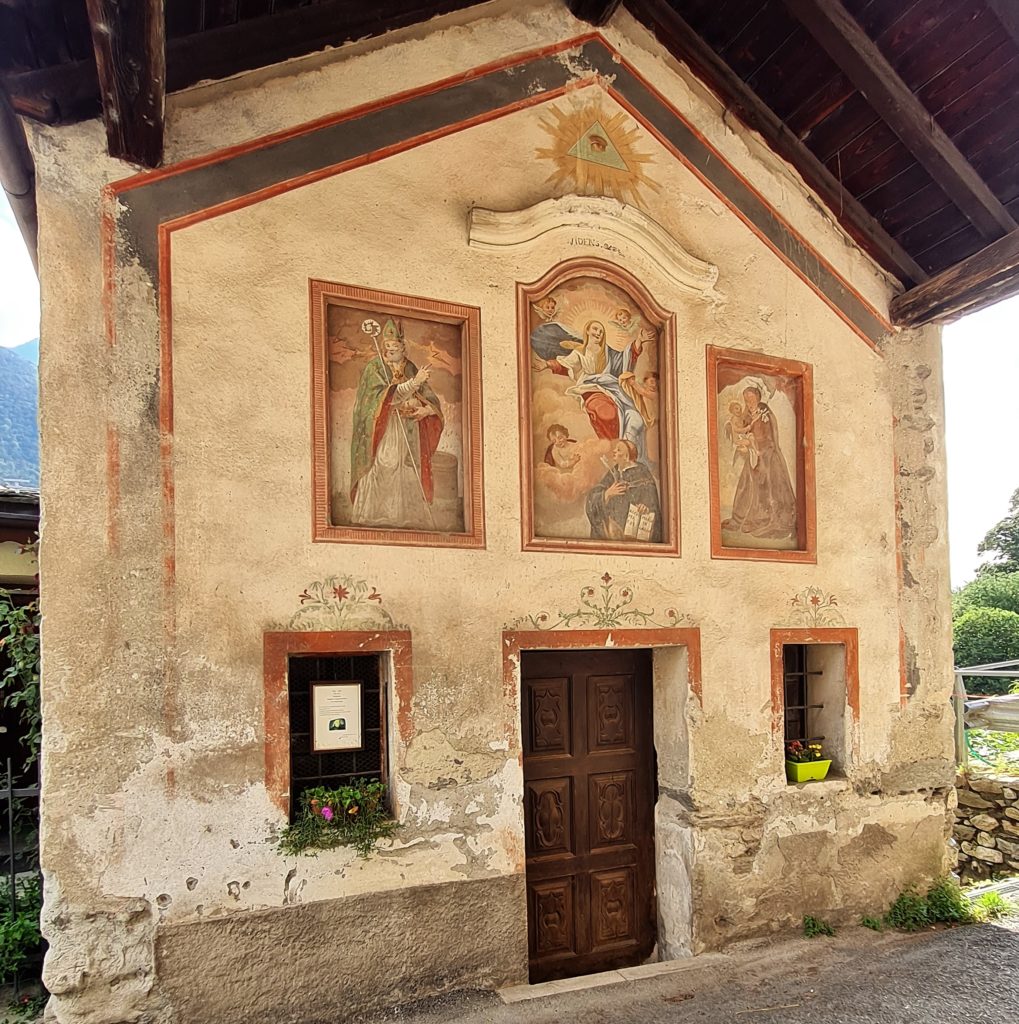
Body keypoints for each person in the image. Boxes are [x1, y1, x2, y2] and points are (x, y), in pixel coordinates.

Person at [349, 319, 443, 529]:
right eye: (388, 347)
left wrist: (426, 409)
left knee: (406, 468)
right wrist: (414, 383)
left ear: (403, 347)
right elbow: (381, 399)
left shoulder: (410, 367)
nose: (390, 350)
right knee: (386, 463)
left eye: (395, 347)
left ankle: (404, 518)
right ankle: (376, 516)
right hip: (383, 430)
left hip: (408, 429)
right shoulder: (375, 368)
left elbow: (428, 396)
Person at [547, 320, 650, 462]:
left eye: (601, 332)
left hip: (613, 389)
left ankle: (627, 452)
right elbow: (564, 365)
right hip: (590, 389)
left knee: (635, 418)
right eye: (595, 329)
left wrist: (638, 341)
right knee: (606, 412)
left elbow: (625, 357)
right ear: (587, 330)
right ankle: (613, 449)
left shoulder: (608, 352)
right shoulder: (580, 352)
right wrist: (548, 364)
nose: (598, 333)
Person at [722, 386, 796, 540]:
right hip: (754, 453)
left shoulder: (764, 413)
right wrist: (746, 445)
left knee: (767, 483)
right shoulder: (747, 415)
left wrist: (760, 450)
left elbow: (770, 436)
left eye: (751, 398)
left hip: (767, 454)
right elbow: (744, 431)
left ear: (757, 397)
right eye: (746, 399)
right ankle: (743, 518)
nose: (749, 402)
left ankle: (765, 519)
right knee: (746, 484)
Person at [586, 439, 662, 542]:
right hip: (612, 529)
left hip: (632, 530)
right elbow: (595, 494)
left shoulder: (642, 472)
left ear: (627, 457)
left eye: (619, 450)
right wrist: (607, 494)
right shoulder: (613, 472)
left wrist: (645, 507)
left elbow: (652, 502)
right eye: (615, 449)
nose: (614, 451)